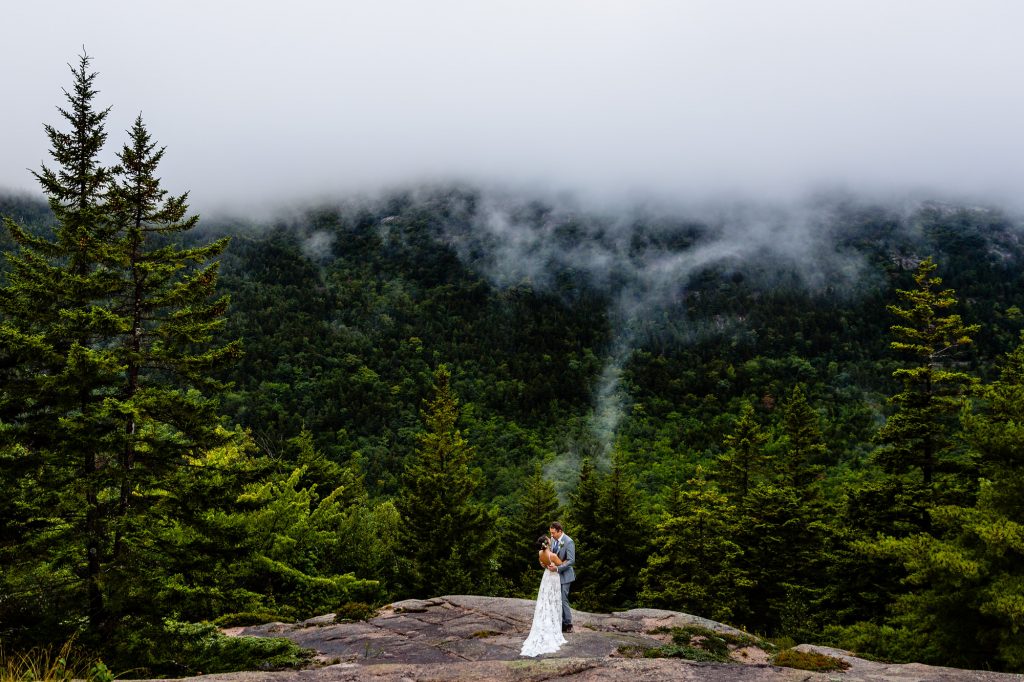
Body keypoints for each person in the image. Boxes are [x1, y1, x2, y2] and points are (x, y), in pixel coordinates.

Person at [519, 535, 567, 657]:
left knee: (545, 599)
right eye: (548, 539)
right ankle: (553, 625)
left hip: (546, 577)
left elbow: (542, 563)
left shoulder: (540, 552)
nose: (550, 539)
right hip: (553, 578)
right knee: (554, 600)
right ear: (546, 542)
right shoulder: (553, 556)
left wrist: (546, 565)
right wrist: (565, 561)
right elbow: (560, 565)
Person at [547, 521, 575, 632]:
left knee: (563, 599)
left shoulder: (569, 542)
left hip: (566, 575)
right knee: (556, 599)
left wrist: (558, 568)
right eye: (551, 533)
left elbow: (571, 560)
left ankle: (568, 624)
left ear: (560, 531)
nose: (552, 535)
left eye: (553, 533)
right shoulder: (553, 540)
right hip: (555, 575)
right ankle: (560, 622)